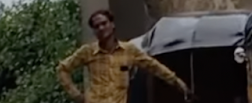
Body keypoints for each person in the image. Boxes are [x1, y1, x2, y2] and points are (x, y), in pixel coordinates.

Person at [57, 8, 191, 103]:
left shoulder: (129, 50)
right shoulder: (87, 52)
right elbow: (63, 68)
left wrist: (178, 82)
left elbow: (154, 66)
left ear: (112, 25)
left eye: (104, 23)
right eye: (97, 26)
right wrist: (77, 95)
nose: (101, 28)